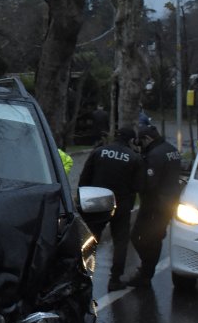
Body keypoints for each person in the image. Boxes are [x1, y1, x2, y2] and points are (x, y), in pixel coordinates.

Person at [78, 126, 145, 291]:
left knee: (90, 239)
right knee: (120, 242)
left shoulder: (99, 152)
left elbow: (84, 177)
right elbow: (139, 185)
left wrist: (83, 200)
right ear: (131, 140)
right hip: (121, 204)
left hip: (96, 201)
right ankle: (114, 280)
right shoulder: (134, 158)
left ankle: (80, 275)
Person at [127, 124, 183, 287]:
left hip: (155, 204)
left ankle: (146, 272)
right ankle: (147, 272)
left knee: (139, 237)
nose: (140, 146)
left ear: (147, 139)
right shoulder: (171, 149)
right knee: (156, 237)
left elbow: (149, 183)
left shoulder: (155, 155)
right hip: (169, 202)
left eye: (141, 142)